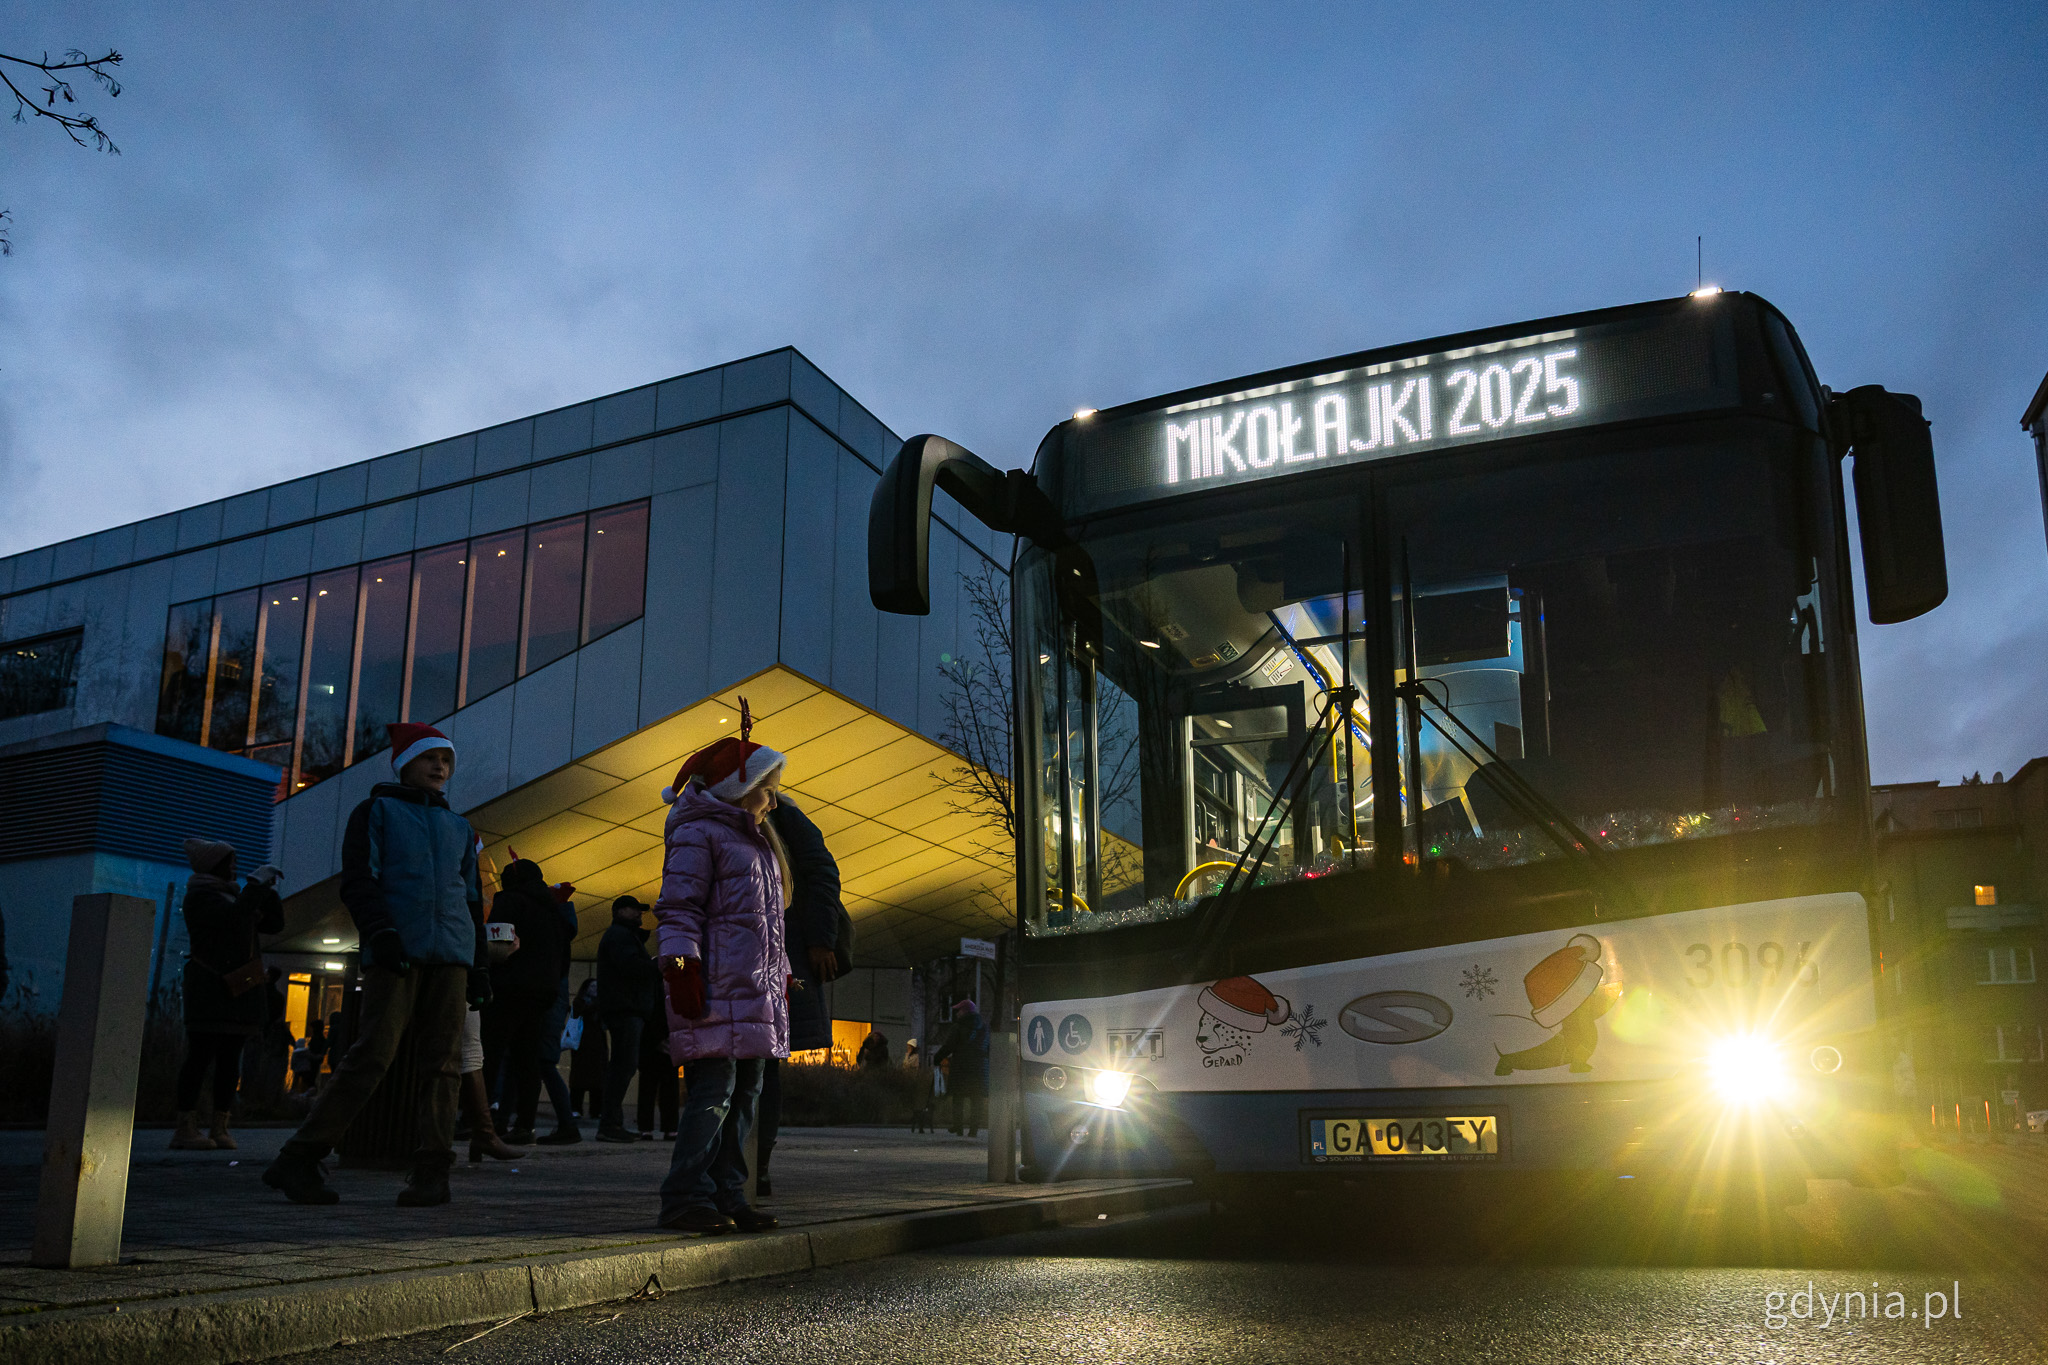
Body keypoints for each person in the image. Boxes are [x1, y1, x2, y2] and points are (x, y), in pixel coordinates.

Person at [262, 722, 489, 1207]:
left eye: (446, 761)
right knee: (372, 1057)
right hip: (398, 953)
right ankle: (301, 1155)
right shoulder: (375, 812)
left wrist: (479, 966)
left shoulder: (459, 827)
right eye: (431, 758)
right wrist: (382, 932)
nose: (440, 767)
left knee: (443, 1066)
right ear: (405, 763)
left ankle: (432, 1170)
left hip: (449, 956)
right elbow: (360, 879)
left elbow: (471, 898)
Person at [652, 725, 793, 1234]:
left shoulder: (754, 844)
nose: (772, 803)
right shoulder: (699, 833)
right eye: (767, 789)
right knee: (715, 1092)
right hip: (712, 990)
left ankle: (727, 1193)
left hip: (750, 993)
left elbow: (767, 928)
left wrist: (783, 976)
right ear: (737, 788)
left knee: (746, 1092)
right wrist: (681, 967)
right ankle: (686, 1196)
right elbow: (678, 909)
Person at [756, 792, 849, 1196]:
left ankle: (754, 1164)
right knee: (757, 1061)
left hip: (781, 950)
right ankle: (748, 1165)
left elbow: (822, 874)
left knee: (764, 1059)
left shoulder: (784, 815)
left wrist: (820, 940)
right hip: (764, 950)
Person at [171, 840, 283, 1150]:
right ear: (211, 866)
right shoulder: (202, 897)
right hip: (210, 989)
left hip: (237, 989)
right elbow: (235, 921)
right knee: (201, 1057)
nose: (233, 867)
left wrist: (267, 891)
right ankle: (186, 1128)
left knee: (229, 1059)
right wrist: (255, 887)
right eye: (227, 862)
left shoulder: (234, 896)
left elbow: (275, 923)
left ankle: (219, 1126)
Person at [481, 858, 569, 1144]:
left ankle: (477, 1121)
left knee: (490, 1054)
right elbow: (564, 955)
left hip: (508, 987)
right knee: (527, 1059)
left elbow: (497, 941)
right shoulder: (554, 910)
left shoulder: (509, 900)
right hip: (542, 993)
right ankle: (525, 1125)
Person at [595, 895, 662, 1141]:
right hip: (626, 1008)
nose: (639, 914)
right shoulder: (621, 937)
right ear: (620, 911)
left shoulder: (621, 936)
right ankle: (610, 1125)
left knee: (622, 1066)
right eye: (634, 910)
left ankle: (611, 1123)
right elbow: (632, 967)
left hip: (624, 1008)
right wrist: (658, 966)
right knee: (623, 1066)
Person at [531, 880, 584, 1145]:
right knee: (544, 1063)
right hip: (554, 1001)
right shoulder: (562, 930)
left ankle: (564, 1122)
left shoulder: (547, 929)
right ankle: (566, 1123)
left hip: (546, 1001)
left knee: (541, 1063)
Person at [933, 999, 990, 1138]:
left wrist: (937, 1058)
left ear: (964, 1011)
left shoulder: (959, 1027)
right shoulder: (984, 1027)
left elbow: (949, 1045)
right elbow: (989, 1048)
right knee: (976, 1099)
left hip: (962, 1067)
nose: (957, 1013)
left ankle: (958, 1127)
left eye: (958, 1010)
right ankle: (973, 1130)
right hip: (979, 1068)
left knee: (958, 1097)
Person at [568, 978, 607, 1120]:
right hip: (583, 1043)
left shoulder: (595, 1003)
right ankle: (576, 1107)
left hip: (595, 1044)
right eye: (592, 986)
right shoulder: (580, 1002)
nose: (594, 989)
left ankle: (595, 1109)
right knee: (581, 1077)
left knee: (596, 1079)